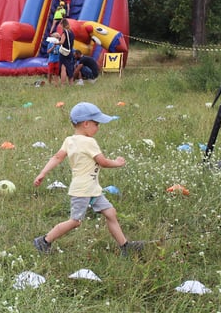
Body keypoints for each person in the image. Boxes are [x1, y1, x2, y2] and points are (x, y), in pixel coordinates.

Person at [32, 102, 144, 256]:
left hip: (92, 189)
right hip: (83, 190)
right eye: (96, 124)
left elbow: (57, 157)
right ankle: (44, 241)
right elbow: (103, 162)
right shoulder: (89, 142)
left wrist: (42, 173)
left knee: (110, 212)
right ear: (86, 124)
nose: (98, 127)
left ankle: (125, 246)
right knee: (75, 221)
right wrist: (117, 163)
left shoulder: (69, 140)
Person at [58, 20, 76, 86]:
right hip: (70, 51)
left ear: (62, 24)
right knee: (70, 67)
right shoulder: (71, 32)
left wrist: (56, 42)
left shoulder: (64, 32)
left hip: (64, 52)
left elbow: (62, 42)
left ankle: (63, 83)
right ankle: (71, 83)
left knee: (63, 68)